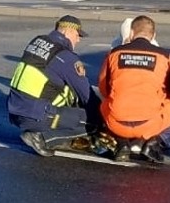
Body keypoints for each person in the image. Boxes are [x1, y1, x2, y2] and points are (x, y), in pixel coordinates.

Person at [98, 16, 170, 163]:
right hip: (149, 125)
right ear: (153, 35)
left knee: (105, 104)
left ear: (131, 33)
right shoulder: (165, 56)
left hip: (117, 125)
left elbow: (104, 89)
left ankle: (121, 143)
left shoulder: (113, 54)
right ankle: (155, 142)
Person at [7, 15, 102, 156]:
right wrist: (104, 116)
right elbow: (87, 96)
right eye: (77, 35)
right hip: (36, 115)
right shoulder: (65, 57)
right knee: (93, 120)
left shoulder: (37, 41)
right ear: (67, 32)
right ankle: (43, 138)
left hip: (14, 111)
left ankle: (48, 131)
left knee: (63, 91)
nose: (78, 39)